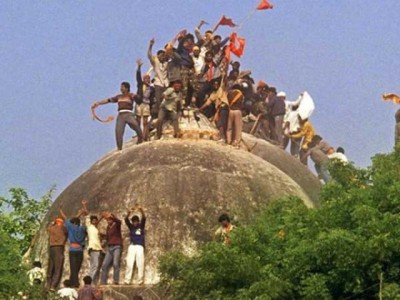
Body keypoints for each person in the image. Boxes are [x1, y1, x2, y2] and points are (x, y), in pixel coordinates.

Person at [91, 81, 143, 150]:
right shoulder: (119, 97)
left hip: (129, 114)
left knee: (136, 126)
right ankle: (119, 148)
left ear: (127, 88)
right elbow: (108, 100)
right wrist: (98, 103)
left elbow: (138, 99)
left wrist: (138, 95)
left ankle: (140, 139)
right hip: (121, 115)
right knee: (118, 132)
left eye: (122, 87)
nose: (121, 88)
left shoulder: (131, 95)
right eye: (121, 87)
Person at [60, 208, 88, 288]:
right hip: (80, 250)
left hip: (73, 249)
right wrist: (83, 210)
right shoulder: (82, 228)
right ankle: (72, 282)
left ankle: (75, 283)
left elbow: (66, 219)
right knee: (77, 268)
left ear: (74, 223)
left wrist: (61, 211)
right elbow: (86, 220)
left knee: (73, 268)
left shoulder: (71, 227)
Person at [199, 76, 229, 143]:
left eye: (216, 84)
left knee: (221, 123)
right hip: (219, 109)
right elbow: (207, 103)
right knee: (217, 122)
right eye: (214, 84)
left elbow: (224, 81)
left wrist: (224, 72)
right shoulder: (213, 94)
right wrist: (200, 109)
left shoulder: (221, 89)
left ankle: (223, 138)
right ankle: (221, 136)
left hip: (224, 107)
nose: (215, 85)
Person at [81, 200, 104, 285]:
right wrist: (84, 205)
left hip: (97, 248)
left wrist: (101, 217)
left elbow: (97, 225)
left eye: (95, 220)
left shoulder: (95, 229)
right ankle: (89, 283)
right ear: (91, 221)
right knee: (94, 266)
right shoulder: (89, 226)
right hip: (93, 248)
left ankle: (91, 282)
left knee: (95, 266)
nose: (94, 221)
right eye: (93, 220)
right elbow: (87, 214)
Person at [124, 204, 146, 285]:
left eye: (136, 221)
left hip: (140, 246)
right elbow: (126, 219)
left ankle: (140, 280)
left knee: (140, 263)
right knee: (129, 263)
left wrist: (141, 210)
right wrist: (129, 212)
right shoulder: (131, 227)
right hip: (132, 246)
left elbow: (144, 218)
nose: (135, 223)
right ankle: (127, 280)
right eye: (133, 221)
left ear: (138, 221)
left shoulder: (141, 226)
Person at [147, 38, 169, 117]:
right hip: (158, 83)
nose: (162, 57)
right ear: (157, 56)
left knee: (167, 100)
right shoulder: (155, 62)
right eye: (160, 56)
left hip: (166, 83)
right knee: (158, 99)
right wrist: (150, 45)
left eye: (163, 56)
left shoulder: (167, 63)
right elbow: (149, 55)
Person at [100, 212, 122, 285]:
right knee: (104, 265)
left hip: (116, 246)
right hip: (109, 247)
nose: (109, 221)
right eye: (108, 220)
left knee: (116, 263)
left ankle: (116, 280)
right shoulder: (108, 228)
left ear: (112, 220)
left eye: (110, 220)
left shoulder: (116, 225)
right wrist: (103, 243)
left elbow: (119, 222)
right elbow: (107, 237)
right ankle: (103, 282)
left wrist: (113, 216)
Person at [136, 59, 154, 141]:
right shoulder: (140, 85)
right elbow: (138, 77)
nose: (148, 80)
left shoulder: (151, 88)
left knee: (145, 122)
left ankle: (144, 136)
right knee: (138, 121)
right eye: (146, 78)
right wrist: (139, 67)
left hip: (146, 104)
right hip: (139, 104)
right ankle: (139, 136)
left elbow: (152, 97)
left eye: (148, 79)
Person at [47, 216, 68, 290]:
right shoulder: (63, 228)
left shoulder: (51, 228)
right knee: (58, 268)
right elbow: (69, 229)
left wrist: (53, 223)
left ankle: (48, 285)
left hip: (51, 248)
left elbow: (48, 228)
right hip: (58, 248)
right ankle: (53, 286)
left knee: (51, 267)